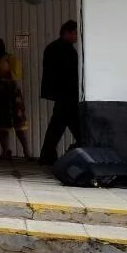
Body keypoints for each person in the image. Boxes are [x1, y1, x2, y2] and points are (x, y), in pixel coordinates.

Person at [38, 20, 80, 165]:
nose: (76, 36)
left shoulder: (55, 47)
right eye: (75, 33)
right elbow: (68, 73)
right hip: (67, 93)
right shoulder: (64, 50)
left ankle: (47, 156)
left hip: (62, 94)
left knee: (57, 125)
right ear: (67, 32)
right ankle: (85, 147)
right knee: (71, 125)